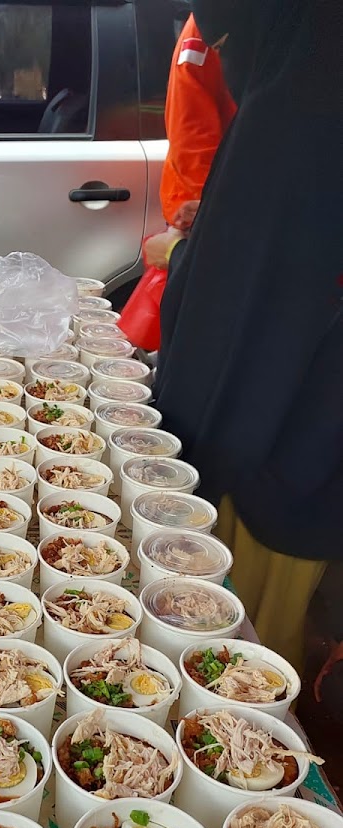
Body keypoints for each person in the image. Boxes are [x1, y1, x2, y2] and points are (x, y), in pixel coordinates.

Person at [146, 0, 343, 670]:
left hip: (278, 450)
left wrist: (177, 256)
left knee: (227, 658)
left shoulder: (300, 103)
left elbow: (248, 296)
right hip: (302, 447)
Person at [160, 14, 236, 232]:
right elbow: (191, 133)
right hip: (206, 206)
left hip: (230, 205)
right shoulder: (210, 20)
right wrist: (210, 208)